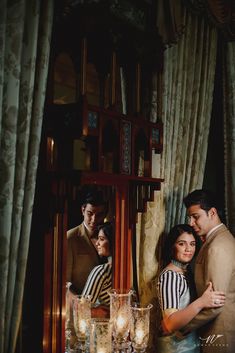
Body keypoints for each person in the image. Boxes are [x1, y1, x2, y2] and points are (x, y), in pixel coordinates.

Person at [157, 224, 225, 353]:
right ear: (172, 246)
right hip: (175, 349)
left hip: (191, 344)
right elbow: (170, 324)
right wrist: (202, 302)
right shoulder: (169, 276)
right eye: (182, 244)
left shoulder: (186, 271)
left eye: (192, 244)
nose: (189, 249)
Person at [182, 189, 235, 352]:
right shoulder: (219, 238)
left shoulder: (218, 246)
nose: (191, 223)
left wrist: (181, 328)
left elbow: (215, 304)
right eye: (190, 217)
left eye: (196, 217)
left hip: (219, 332)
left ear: (212, 212)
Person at [67, 190, 108, 294]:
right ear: (83, 210)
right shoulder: (70, 238)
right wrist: (82, 305)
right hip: (81, 302)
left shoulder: (111, 236)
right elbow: (66, 283)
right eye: (90, 214)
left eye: (99, 215)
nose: (94, 220)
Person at [82, 222, 113, 312]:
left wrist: (102, 310)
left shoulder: (101, 272)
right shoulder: (127, 269)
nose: (97, 243)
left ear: (113, 241)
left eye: (102, 239)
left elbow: (83, 308)